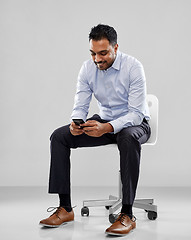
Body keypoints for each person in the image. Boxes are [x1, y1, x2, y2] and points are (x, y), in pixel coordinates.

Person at [39, 24, 151, 236]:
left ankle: (127, 214)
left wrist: (108, 127)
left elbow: (136, 114)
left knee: (127, 138)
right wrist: (77, 122)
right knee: (59, 137)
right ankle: (65, 208)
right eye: (93, 53)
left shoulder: (133, 67)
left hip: (135, 124)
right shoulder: (87, 68)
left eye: (103, 53)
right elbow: (81, 103)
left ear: (115, 48)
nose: (97, 59)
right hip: (104, 121)